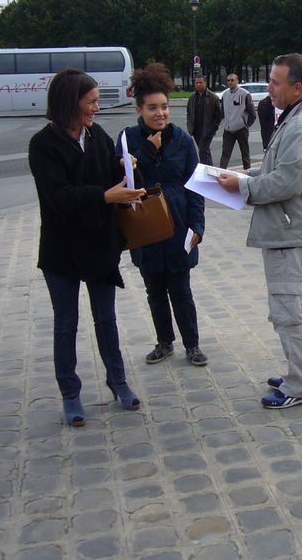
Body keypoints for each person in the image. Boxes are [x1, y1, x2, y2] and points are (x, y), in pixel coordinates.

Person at [28, 67, 145, 427]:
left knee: (106, 319)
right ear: (71, 102)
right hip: (62, 250)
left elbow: (111, 177)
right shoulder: (43, 145)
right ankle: (70, 393)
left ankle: (118, 382)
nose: (97, 107)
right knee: (66, 324)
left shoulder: (98, 136)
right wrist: (105, 195)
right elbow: (58, 197)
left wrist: (127, 170)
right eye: (92, 101)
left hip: (99, 243)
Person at [216, 53, 302, 409]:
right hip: (300, 231)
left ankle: (301, 384)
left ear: (297, 87)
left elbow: (286, 183)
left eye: (275, 82)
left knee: (288, 312)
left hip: (292, 234)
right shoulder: (299, 118)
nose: (269, 88)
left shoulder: (300, 125)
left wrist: (243, 188)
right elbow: (278, 170)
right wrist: (243, 177)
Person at [118, 63, 209, 367]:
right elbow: (127, 179)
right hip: (145, 225)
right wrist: (145, 150)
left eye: (165, 107)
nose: (160, 114)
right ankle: (164, 342)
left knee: (181, 290)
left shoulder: (182, 139)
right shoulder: (128, 139)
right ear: (139, 109)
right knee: (154, 290)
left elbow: (195, 186)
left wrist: (197, 225)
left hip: (178, 223)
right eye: (152, 108)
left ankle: (193, 345)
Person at [218, 73, 256, 170]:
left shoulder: (244, 94)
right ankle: (221, 171)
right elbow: (222, 111)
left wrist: (245, 124)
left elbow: (252, 113)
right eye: (228, 80)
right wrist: (223, 122)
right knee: (225, 153)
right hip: (228, 129)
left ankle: (247, 171)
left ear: (237, 81)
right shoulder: (225, 95)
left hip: (241, 128)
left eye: (232, 80)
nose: (230, 82)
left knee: (245, 153)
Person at [186, 74, 221, 165]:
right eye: (196, 83)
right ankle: (211, 169)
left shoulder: (213, 97)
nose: (198, 84)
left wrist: (214, 127)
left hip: (207, 129)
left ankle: (203, 170)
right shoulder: (192, 97)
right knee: (205, 152)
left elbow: (219, 115)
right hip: (196, 129)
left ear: (205, 83)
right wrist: (189, 125)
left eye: (200, 82)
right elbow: (189, 112)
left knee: (202, 151)